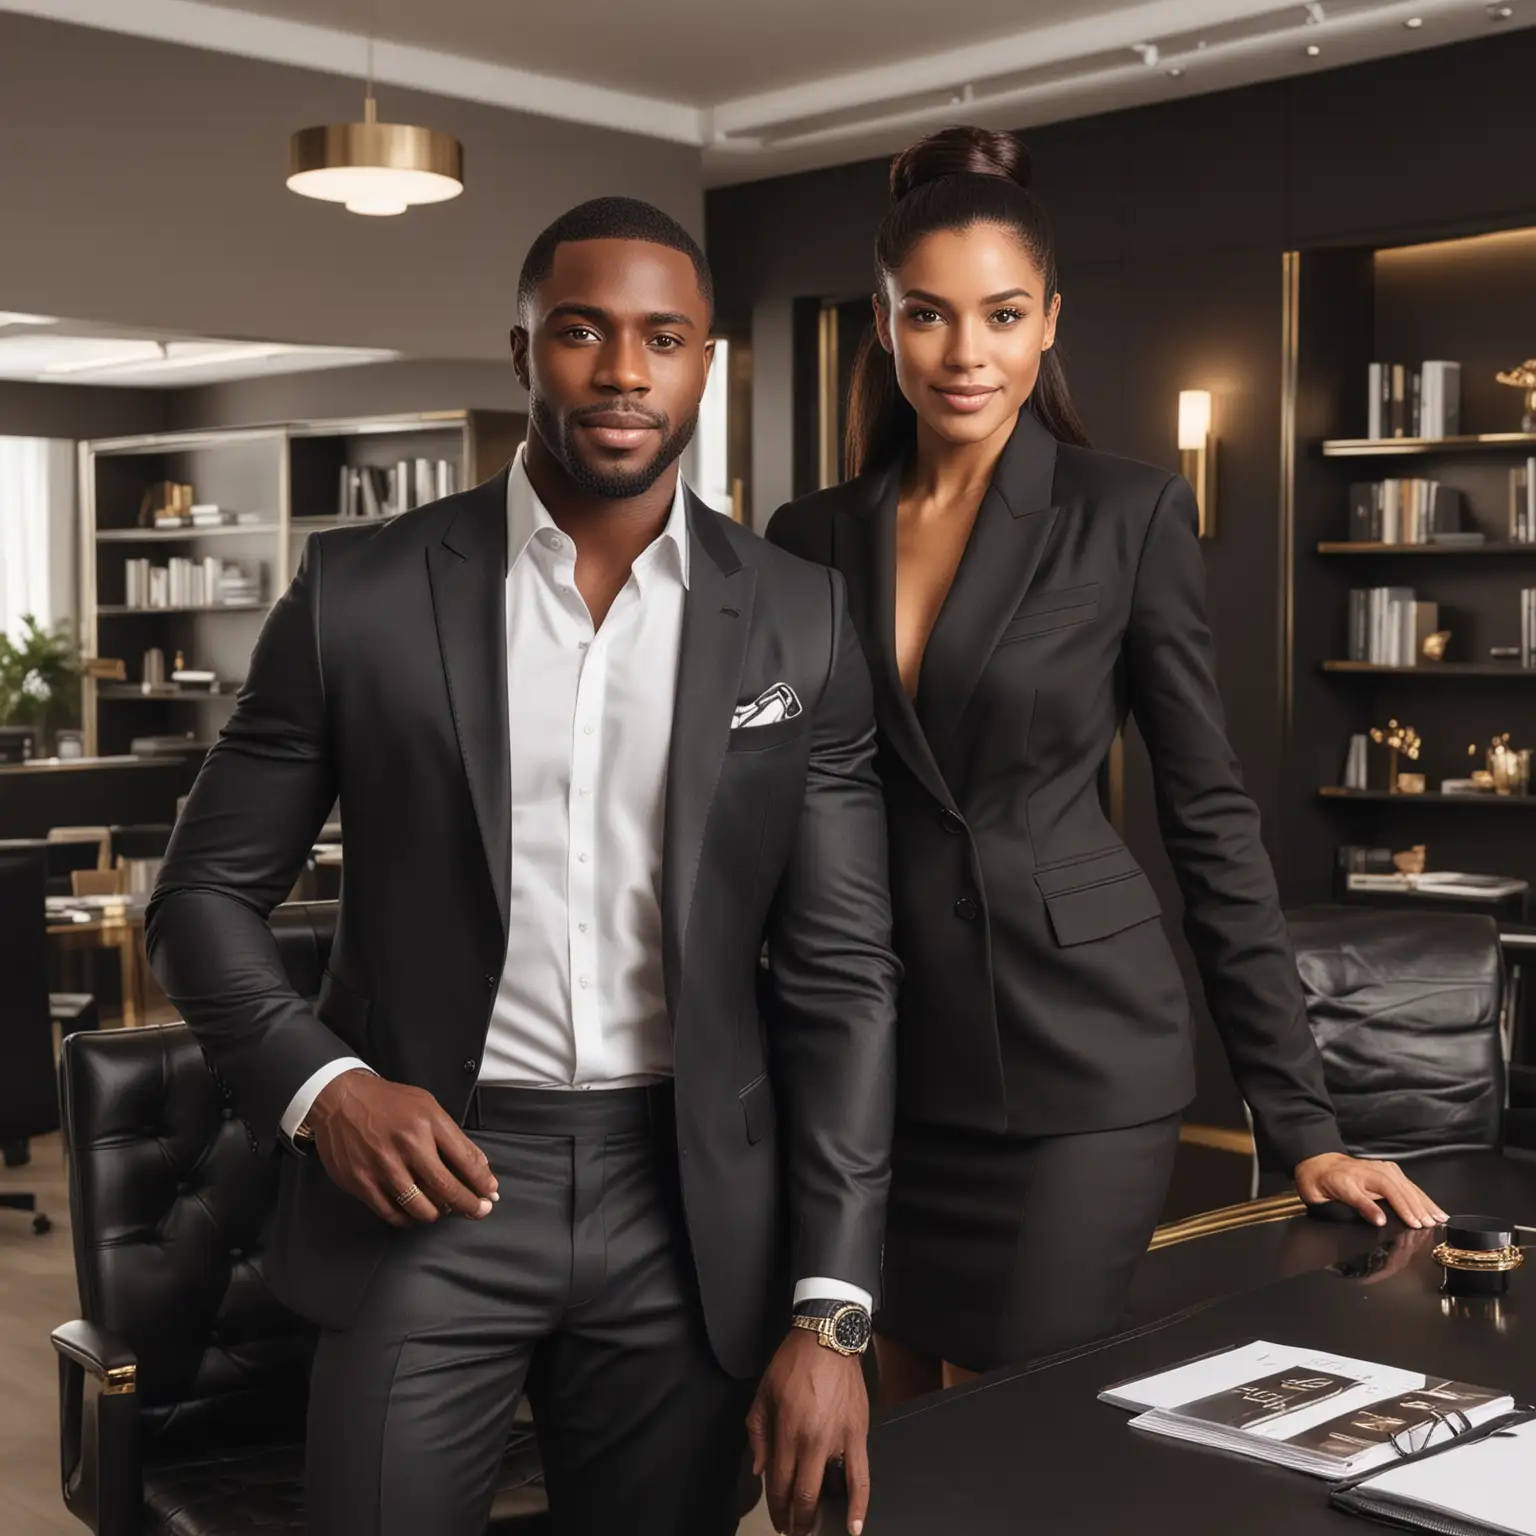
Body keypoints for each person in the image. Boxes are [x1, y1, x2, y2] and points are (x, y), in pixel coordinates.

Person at [147, 197, 898, 1536]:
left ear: (705, 364)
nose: (623, 371)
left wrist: (834, 1314)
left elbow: (842, 977)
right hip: (427, 1188)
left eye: (662, 338)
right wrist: (324, 1088)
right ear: (522, 353)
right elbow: (202, 897)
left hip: (687, 1209)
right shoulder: (363, 593)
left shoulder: (799, 615)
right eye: (581, 332)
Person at [766, 127, 1446, 1401]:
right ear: (883, 322)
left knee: (1015, 1439)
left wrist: (1298, 1124)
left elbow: (1209, 816)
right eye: (929, 316)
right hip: (872, 1069)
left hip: (1076, 1060)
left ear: (1049, 322)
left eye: (1003, 315)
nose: (966, 354)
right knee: (885, 1444)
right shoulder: (807, 538)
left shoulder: (1122, 513)